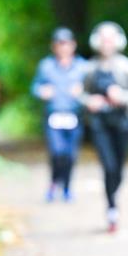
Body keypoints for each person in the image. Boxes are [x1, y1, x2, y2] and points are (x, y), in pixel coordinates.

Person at [82, 21, 128, 232]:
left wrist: (122, 96)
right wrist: (90, 101)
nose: (106, 43)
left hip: (123, 124)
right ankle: (112, 208)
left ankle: (114, 195)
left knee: (118, 169)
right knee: (108, 166)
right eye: (103, 39)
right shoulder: (90, 68)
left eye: (110, 39)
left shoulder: (126, 66)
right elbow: (81, 94)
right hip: (100, 124)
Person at [31, 27, 87, 202]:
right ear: (53, 47)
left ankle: (67, 187)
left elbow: (93, 89)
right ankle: (54, 182)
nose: (63, 48)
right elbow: (35, 87)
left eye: (66, 44)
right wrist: (42, 91)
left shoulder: (83, 67)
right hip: (53, 116)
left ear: (73, 45)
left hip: (74, 115)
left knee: (70, 155)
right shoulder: (46, 66)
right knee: (57, 152)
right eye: (59, 44)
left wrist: (83, 91)